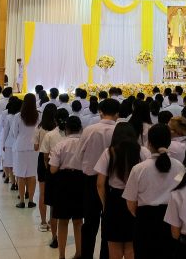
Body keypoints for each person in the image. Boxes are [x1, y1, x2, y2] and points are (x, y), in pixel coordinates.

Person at [125, 124, 186, 259]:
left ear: (149, 143)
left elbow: (130, 202)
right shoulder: (179, 167)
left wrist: (141, 215)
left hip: (145, 220)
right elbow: (182, 194)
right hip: (170, 220)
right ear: (169, 143)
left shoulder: (139, 169)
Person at [96, 122, 145, 259]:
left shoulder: (109, 152)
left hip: (114, 200)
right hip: (136, 199)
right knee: (131, 247)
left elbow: (100, 183)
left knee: (114, 248)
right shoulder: (142, 151)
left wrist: (105, 204)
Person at [81, 98, 121, 259]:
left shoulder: (89, 130)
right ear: (117, 114)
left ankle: (86, 255)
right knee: (109, 223)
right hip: (113, 183)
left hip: (91, 180)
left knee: (89, 222)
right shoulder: (120, 131)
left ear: (100, 112)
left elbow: (79, 155)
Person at [48, 115, 84, 256]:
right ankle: (79, 253)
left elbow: (53, 169)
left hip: (63, 182)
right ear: (81, 128)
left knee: (62, 221)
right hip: (80, 181)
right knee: (78, 221)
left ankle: (61, 255)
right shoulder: (84, 144)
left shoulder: (60, 145)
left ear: (66, 129)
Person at [11, 93, 40, 209]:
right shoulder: (38, 116)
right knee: (32, 174)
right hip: (34, 148)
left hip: (21, 147)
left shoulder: (18, 116)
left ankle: (22, 201)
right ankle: (31, 200)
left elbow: (14, 133)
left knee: (20, 175)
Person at [35, 103, 59, 232]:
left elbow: (35, 147)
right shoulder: (58, 129)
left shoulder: (40, 128)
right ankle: (53, 220)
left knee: (42, 192)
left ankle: (43, 222)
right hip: (56, 160)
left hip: (42, 158)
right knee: (55, 191)